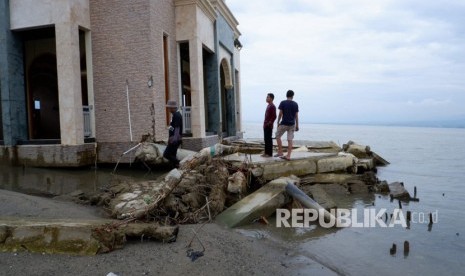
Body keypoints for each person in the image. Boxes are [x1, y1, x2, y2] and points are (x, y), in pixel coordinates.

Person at [275, 90, 299, 160]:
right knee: (290, 140)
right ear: (292, 96)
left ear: (286, 95)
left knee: (277, 136)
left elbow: (280, 113)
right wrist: (297, 125)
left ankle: (280, 152)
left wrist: (278, 122)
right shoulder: (295, 104)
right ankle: (288, 155)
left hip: (284, 123)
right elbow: (296, 116)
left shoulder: (283, 103)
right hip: (292, 124)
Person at [163, 100, 183, 168]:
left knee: (166, 154)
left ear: (173, 108)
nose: (168, 109)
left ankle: (179, 163)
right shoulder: (175, 115)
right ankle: (175, 168)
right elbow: (174, 127)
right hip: (174, 138)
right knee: (173, 155)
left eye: (169, 108)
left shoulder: (177, 115)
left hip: (175, 139)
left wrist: (174, 139)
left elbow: (177, 128)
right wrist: (169, 127)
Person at [262, 93, 276, 157]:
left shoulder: (272, 106)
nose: (266, 98)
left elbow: (274, 116)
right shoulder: (268, 105)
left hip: (268, 126)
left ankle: (269, 154)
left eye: (268, 97)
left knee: (268, 140)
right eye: (266, 97)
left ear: (271, 98)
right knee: (266, 139)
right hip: (265, 125)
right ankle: (266, 152)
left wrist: (269, 123)